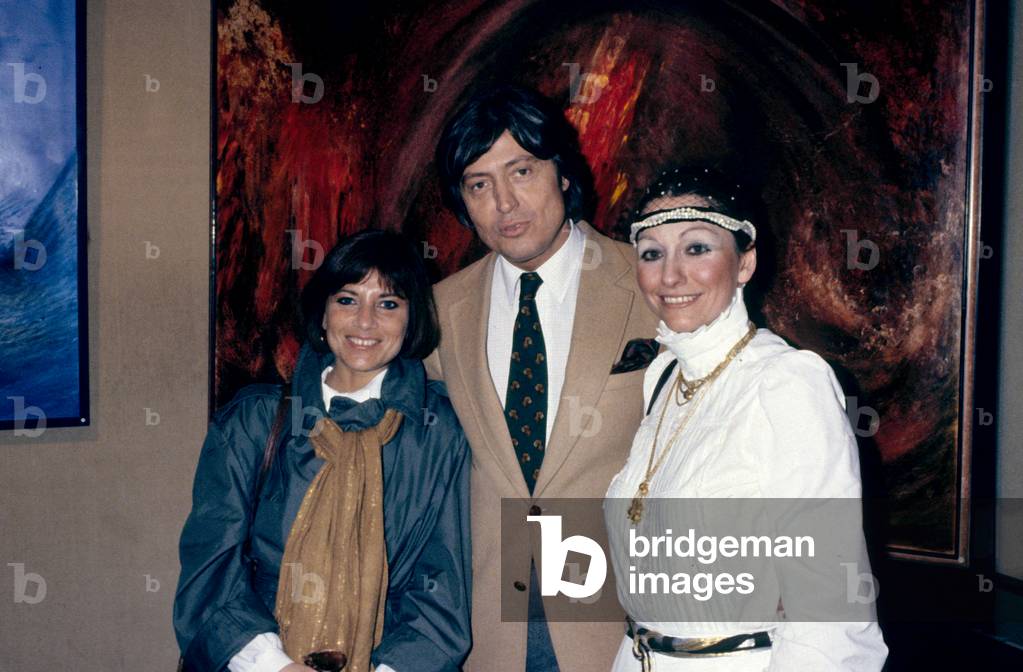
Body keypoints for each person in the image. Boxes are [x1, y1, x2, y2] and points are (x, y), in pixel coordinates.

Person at [604, 167, 888, 670]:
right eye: (652, 253)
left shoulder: (786, 383)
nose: (670, 275)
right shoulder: (664, 377)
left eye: (697, 248)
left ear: (745, 262)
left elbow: (832, 614)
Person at [426, 84, 658, 672]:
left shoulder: (653, 284)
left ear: (562, 173)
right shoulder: (437, 311)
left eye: (522, 170)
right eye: (479, 184)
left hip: (618, 618)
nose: (505, 202)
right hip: (485, 625)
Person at [174, 230, 472, 672]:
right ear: (324, 313)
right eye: (348, 300)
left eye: (388, 304)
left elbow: (441, 588)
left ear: (412, 319)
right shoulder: (253, 421)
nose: (365, 322)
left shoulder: (440, 431)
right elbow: (211, 568)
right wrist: (275, 666)